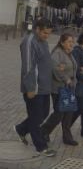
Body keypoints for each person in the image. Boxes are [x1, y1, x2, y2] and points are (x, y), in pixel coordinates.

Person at [15, 18, 56, 157]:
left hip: (44, 86)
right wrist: (30, 88)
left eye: (49, 33)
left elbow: (45, 61)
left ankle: (21, 129)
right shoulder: (29, 42)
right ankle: (41, 147)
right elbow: (28, 67)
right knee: (36, 117)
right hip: (34, 88)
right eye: (44, 33)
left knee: (42, 114)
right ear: (37, 29)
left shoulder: (42, 41)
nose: (46, 36)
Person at [40, 33, 79, 146]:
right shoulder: (57, 53)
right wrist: (66, 78)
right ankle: (43, 131)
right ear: (62, 42)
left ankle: (67, 137)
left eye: (72, 41)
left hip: (69, 88)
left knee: (69, 113)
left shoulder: (69, 53)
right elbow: (56, 69)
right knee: (59, 113)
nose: (71, 43)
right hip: (59, 88)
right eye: (69, 41)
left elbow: (70, 68)